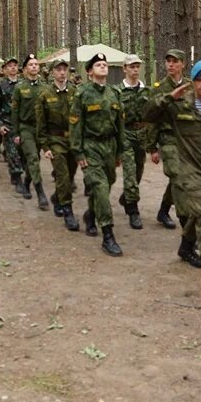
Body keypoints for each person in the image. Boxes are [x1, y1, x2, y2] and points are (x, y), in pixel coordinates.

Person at [144, 59, 201, 299]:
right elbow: (146, 114)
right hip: (189, 171)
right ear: (192, 82)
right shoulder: (180, 103)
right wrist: (167, 98)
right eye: (198, 80)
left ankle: (186, 246)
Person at [69, 52, 125, 256]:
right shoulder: (82, 93)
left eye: (105, 64)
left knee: (107, 184)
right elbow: (75, 124)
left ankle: (91, 214)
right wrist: (78, 153)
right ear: (90, 71)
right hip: (90, 147)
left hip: (109, 147)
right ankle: (108, 235)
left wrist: (119, 151)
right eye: (98, 65)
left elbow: (120, 124)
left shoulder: (114, 93)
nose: (103, 67)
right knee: (100, 187)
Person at [147, 49, 190, 229]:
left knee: (180, 178)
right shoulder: (160, 88)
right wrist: (152, 147)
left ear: (183, 64)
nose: (170, 64)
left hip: (187, 140)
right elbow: (152, 119)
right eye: (168, 61)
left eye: (175, 61)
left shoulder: (191, 85)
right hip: (168, 139)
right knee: (178, 177)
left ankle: (163, 210)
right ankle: (187, 225)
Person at [36, 59, 79, 230]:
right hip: (55, 141)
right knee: (63, 176)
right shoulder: (45, 94)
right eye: (58, 70)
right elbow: (41, 123)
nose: (62, 73)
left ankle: (57, 197)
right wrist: (45, 147)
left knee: (70, 174)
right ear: (52, 72)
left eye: (64, 69)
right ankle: (68, 211)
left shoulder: (75, 92)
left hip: (73, 141)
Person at [116, 54, 150, 229]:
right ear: (125, 69)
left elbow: (151, 116)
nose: (135, 69)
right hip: (126, 134)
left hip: (141, 135)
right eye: (131, 66)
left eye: (137, 66)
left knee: (138, 171)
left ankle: (126, 197)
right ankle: (133, 210)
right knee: (129, 172)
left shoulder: (146, 90)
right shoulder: (118, 91)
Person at [11, 53, 49, 209]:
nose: (34, 66)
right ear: (25, 69)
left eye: (36, 64)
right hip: (26, 128)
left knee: (35, 160)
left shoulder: (45, 87)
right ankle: (40, 193)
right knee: (33, 157)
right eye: (31, 65)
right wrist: (16, 133)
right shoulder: (20, 88)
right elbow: (15, 112)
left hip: (41, 129)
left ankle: (27, 182)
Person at [0, 57, 26, 193]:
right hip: (8, 123)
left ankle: (16, 171)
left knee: (23, 153)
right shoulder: (1, 85)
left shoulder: (24, 84)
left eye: (15, 65)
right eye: (10, 66)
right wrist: (0, 124)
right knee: (12, 152)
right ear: (5, 69)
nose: (13, 68)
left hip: (23, 123)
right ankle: (18, 177)